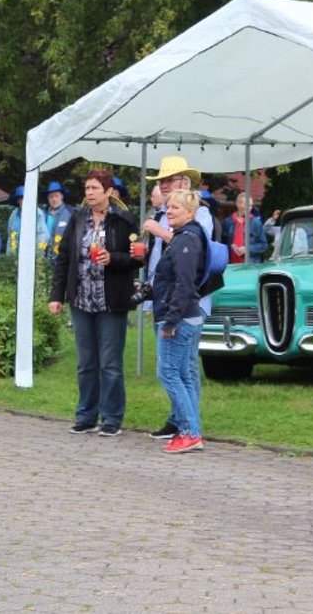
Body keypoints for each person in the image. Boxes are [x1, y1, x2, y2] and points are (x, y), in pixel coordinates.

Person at [48, 170, 140, 436]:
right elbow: (63, 258)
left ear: (109, 191)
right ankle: (86, 415)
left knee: (110, 363)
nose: (89, 192)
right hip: (81, 301)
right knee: (86, 362)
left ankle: (111, 418)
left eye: (95, 188)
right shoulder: (77, 219)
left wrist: (114, 259)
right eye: (87, 188)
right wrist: (56, 296)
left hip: (111, 301)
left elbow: (137, 259)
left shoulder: (123, 220)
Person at [141, 155, 215, 440]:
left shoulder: (200, 213)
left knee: (182, 368)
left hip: (185, 303)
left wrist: (158, 230)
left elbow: (195, 246)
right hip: (165, 300)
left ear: (184, 182)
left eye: (168, 180)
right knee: (174, 366)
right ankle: (180, 420)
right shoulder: (163, 212)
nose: (163, 185)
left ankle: (189, 425)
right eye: (160, 181)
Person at [153, 188, 208, 453]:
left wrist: (171, 321)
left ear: (189, 212)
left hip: (181, 318)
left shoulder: (187, 240)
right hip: (188, 316)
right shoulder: (185, 237)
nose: (169, 212)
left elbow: (184, 285)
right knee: (184, 375)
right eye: (168, 207)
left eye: (175, 208)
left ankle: (189, 431)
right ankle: (192, 431)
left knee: (169, 373)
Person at [222, 192, 268, 264]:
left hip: (250, 265)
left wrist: (248, 249)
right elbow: (223, 244)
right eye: (246, 205)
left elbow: (263, 245)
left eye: (250, 206)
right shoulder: (227, 222)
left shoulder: (256, 223)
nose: (249, 208)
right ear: (238, 204)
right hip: (230, 266)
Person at [6, 185, 47, 254]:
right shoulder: (14, 215)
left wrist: (38, 256)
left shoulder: (38, 214)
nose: (24, 201)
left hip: (32, 256)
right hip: (16, 256)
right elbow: (10, 237)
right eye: (22, 199)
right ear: (18, 201)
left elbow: (42, 236)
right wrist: (10, 257)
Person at [43, 181, 72, 264]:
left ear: (62, 196)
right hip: (44, 258)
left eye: (56, 196)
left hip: (62, 259)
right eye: (51, 196)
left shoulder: (70, 213)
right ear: (48, 198)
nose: (54, 199)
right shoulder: (42, 214)